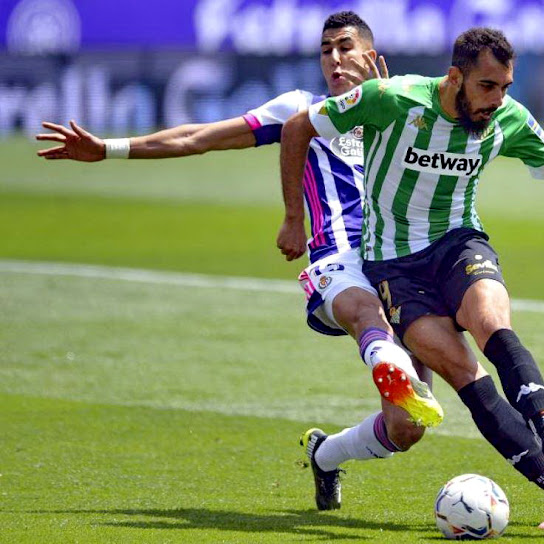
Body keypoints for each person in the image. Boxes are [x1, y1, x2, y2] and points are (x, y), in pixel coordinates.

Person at [36, 11, 444, 513]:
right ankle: (392, 364)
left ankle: (326, 453)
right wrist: (109, 148)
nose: (333, 60)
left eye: (343, 47)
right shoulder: (300, 109)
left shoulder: (404, 111)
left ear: (371, 55)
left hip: (402, 266)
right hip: (338, 263)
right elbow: (199, 137)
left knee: (408, 428)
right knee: (366, 315)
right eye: (325, 50)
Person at [279, 26, 544, 529]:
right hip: (394, 267)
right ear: (455, 78)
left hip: (458, 245)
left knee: (492, 321)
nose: (499, 99)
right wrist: (294, 218)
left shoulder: (505, 118)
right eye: (488, 87)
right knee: (464, 373)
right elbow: (298, 128)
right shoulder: (393, 99)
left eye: (506, 86)